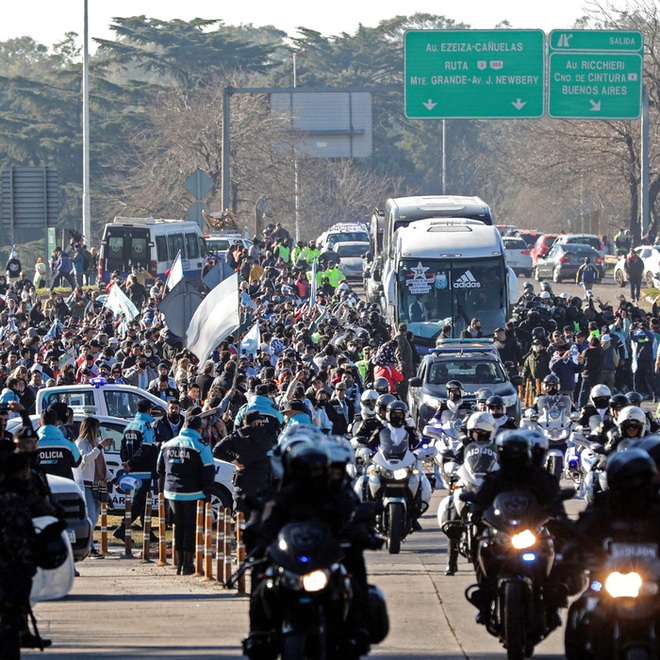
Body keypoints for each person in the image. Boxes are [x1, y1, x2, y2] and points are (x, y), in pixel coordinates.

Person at [157, 415, 215, 575]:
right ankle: (188, 565)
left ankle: (180, 562)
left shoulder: (167, 445)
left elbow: (159, 469)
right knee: (191, 528)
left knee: (178, 527)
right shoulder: (200, 445)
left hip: (172, 492)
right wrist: (206, 491)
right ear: (199, 429)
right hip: (193, 493)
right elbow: (209, 470)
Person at [0, 451, 39, 658]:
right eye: (23, 470)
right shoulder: (12, 498)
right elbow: (16, 537)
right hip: (10, 567)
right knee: (10, 617)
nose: (27, 473)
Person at [213, 410, 275, 516]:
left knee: (240, 516)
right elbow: (271, 447)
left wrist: (233, 460)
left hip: (242, 481)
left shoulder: (236, 435)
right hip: (260, 482)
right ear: (256, 422)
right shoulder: (263, 436)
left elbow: (216, 450)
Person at [115, 399, 157, 542]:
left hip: (132, 470)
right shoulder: (146, 426)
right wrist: (131, 463)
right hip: (144, 469)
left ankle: (148, 530)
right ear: (149, 410)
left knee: (143, 501)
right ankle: (122, 528)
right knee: (139, 502)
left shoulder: (129, 426)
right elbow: (146, 448)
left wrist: (126, 463)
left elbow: (122, 448)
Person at [73, 417, 111, 555]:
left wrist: (113, 479)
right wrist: (99, 447)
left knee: (95, 517)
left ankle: (89, 545)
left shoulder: (96, 444)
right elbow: (86, 459)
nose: (99, 431)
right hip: (86, 484)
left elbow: (102, 466)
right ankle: (90, 547)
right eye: (97, 428)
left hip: (97, 484)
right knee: (91, 517)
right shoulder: (81, 443)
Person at [36, 407, 81, 480]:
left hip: (41, 488)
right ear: (57, 422)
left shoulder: (32, 445)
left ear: (40, 423)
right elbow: (77, 462)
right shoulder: (68, 444)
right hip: (63, 488)